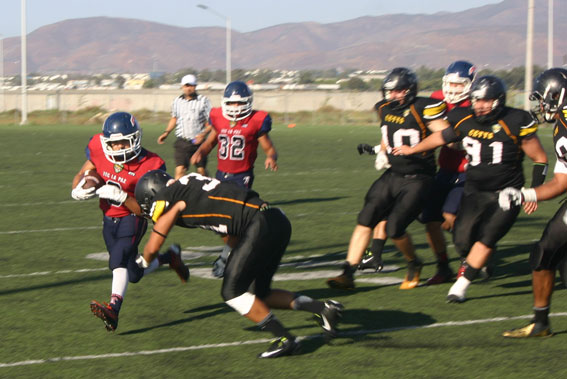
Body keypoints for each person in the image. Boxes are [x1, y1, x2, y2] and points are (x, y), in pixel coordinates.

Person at [134, 170, 343, 358]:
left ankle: (284, 339)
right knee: (259, 293)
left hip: (258, 225)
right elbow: (228, 224)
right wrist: (228, 254)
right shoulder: (191, 185)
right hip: (276, 219)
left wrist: (143, 262)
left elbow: (154, 245)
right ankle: (323, 309)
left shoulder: (170, 197)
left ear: (153, 194)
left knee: (231, 291)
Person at [393, 75, 548, 303]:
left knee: (487, 237)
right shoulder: (462, 118)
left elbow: (540, 158)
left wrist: (533, 191)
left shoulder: (515, 120)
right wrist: (413, 149)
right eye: (477, 100)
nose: (481, 105)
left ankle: (460, 286)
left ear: (499, 100)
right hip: (474, 190)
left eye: (486, 100)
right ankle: (479, 262)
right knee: (462, 239)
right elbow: (441, 137)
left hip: (507, 193)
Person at [327, 67, 448, 291]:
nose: (391, 96)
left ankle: (414, 262)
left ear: (409, 90)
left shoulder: (422, 108)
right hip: (393, 173)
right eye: (389, 91)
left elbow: (446, 135)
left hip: (419, 177)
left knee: (395, 229)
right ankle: (348, 272)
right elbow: (388, 134)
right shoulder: (382, 108)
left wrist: (417, 149)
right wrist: (380, 151)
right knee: (365, 218)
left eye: (397, 91)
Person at [356, 61, 476, 285]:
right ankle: (443, 267)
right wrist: (381, 150)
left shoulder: (478, 104)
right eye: (450, 83)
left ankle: (471, 259)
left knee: (449, 218)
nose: (453, 89)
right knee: (430, 219)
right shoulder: (435, 100)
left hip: (470, 171)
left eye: (459, 85)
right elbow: (405, 128)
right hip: (445, 168)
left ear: (470, 85)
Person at [71, 112, 189, 332]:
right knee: (132, 273)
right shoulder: (98, 147)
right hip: (108, 217)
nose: (119, 148)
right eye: (114, 144)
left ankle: (113, 308)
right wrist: (78, 187)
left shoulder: (151, 164)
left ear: (135, 139)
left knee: (118, 259)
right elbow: (85, 170)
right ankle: (168, 258)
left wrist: (122, 196)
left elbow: (149, 212)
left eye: (123, 142)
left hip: (133, 218)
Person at [499, 68, 567, 337]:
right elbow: (561, 182)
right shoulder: (561, 123)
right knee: (544, 254)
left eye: (544, 98)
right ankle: (540, 323)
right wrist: (524, 194)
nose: (541, 105)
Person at [191, 80, 279, 277]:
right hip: (221, 176)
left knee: (231, 220)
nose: (235, 107)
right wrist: (200, 151)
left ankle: (226, 258)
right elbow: (210, 141)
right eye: (231, 103)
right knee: (219, 223)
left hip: (242, 178)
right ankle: (237, 250)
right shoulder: (218, 118)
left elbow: (269, 147)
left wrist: (271, 157)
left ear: (248, 102)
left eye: (239, 103)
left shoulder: (256, 120)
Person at [157, 74, 212, 179]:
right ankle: (179, 194)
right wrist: (166, 132)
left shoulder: (203, 101)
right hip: (182, 141)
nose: (188, 88)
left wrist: (203, 134)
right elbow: (174, 118)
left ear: (195, 86)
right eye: (186, 86)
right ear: (182, 87)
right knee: (180, 171)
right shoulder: (177, 101)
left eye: (191, 85)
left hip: (198, 143)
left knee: (201, 172)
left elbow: (211, 122)